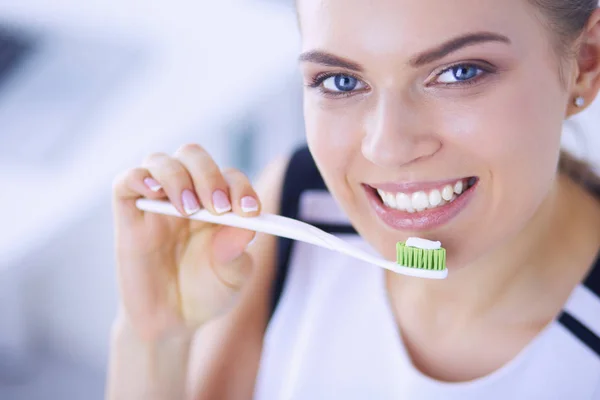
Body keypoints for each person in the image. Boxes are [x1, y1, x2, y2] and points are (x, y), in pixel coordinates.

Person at [106, 1, 600, 399]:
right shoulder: (296, 205)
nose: (386, 147)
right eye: (340, 81)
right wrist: (155, 338)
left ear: (584, 61)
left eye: (459, 72)